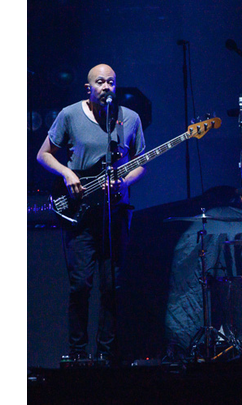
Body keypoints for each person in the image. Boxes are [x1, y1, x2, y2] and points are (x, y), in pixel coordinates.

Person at [36, 64, 146, 364]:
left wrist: (123, 181)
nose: (106, 87)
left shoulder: (129, 119)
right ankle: (78, 354)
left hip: (115, 212)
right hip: (79, 211)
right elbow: (43, 154)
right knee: (80, 284)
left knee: (112, 286)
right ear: (89, 87)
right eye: (100, 82)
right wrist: (67, 173)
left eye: (111, 82)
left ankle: (106, 355)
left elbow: (139, 164)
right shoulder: (69, 115)